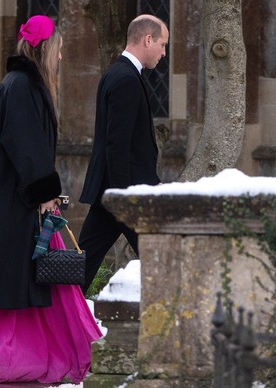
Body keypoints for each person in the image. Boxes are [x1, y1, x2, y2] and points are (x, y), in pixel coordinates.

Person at [0, 15, 102, 383]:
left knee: (28, 282)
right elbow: (25, 144)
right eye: (58, 49)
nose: (61, 58)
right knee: (17, 285)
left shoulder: (19, 84)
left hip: (13, 202)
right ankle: (11, 357)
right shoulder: (22, 86)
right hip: (15, 206)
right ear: (44, 48)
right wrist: (45, 193)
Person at [78, 14, 169, 293]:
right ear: (148, 39)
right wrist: (123, 199)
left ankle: (54, 319)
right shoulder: (125, 78)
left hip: (117, 193)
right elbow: (116, 144)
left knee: (81, 266)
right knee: (163, 261)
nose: (164, 53)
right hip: (123, 195)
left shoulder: (119, 74)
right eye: (163, 45)